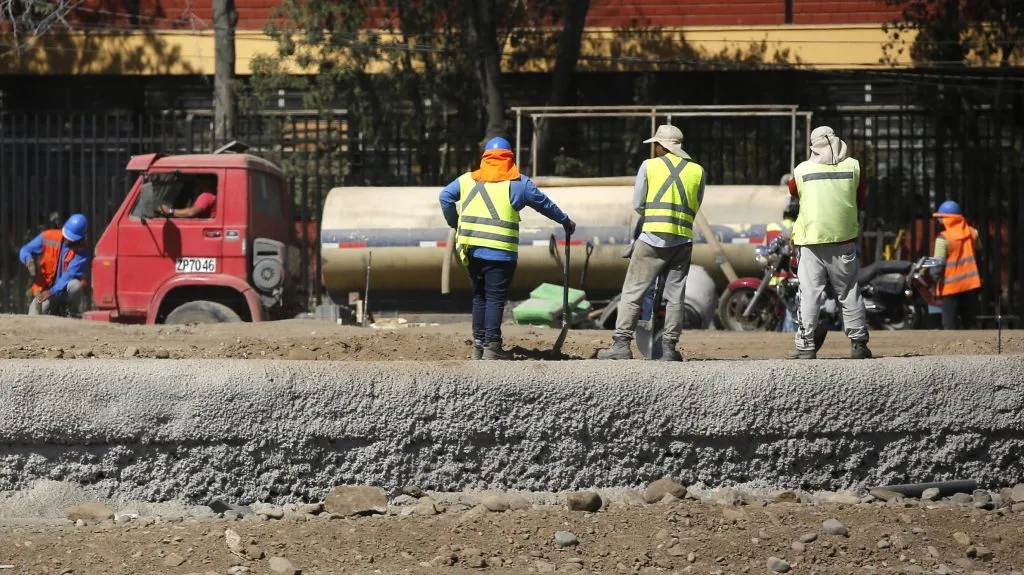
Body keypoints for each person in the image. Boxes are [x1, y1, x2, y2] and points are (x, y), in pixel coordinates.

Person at [439, 136, 575, 360]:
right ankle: (493, 346)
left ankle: (479, 347)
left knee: (479, 296)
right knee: (494, 298)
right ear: (510, 158)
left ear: (485, 157)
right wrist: (565, 221)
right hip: (500, 254)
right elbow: (544, 204)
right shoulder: (519, 183)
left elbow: (445, 197)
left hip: (471, 251)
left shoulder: (466, 180)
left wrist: (454, 222)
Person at [597, 124, 705, 361]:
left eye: (656, 144)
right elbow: (696, 205)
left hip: (652, 239)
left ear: (661, 146)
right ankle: (668, 348)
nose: (654, 148)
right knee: (676, 296)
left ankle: (622, 344)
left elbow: (638, 204)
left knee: (633, 290)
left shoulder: (649, 166)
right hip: (682, 241)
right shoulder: (697, 171)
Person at [787, 126, 871, 359]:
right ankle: (858, 343)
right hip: (843, 240)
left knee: (809, 294)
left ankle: (805, 346)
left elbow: (794, 192)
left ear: (813, 146)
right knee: (849, 291)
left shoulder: (802, 170)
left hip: (811, 241)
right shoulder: (854, 166)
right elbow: (860, 198)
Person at [19, 213, 90, 317]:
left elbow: (69, 275)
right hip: (45, 290)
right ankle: (53, 310)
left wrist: (52, 292)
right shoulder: (49, 236)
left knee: (76, 285)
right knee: (34, 315)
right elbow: (25, 249)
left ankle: (70, 313)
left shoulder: (82, 252)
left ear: (80, 238)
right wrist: (27, 259)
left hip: (63, 292)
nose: (67, 239)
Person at [932, 200, 981, 330]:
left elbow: (937, 265)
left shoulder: (943, 239)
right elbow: (979, 252)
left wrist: (933, 282)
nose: (939, 221)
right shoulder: (973, 233)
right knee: (970, 324)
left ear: (948, 219)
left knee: (950, 325)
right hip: (970, 284)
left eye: (941, 218)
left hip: (950, 287)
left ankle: (954, 350)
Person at [766, 196, 800, 332]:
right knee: (791, 311)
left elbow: (768, 248)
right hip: (791, 276)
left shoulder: (771, 226)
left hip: (774, 277)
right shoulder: (799, 227)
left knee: (782, 313)